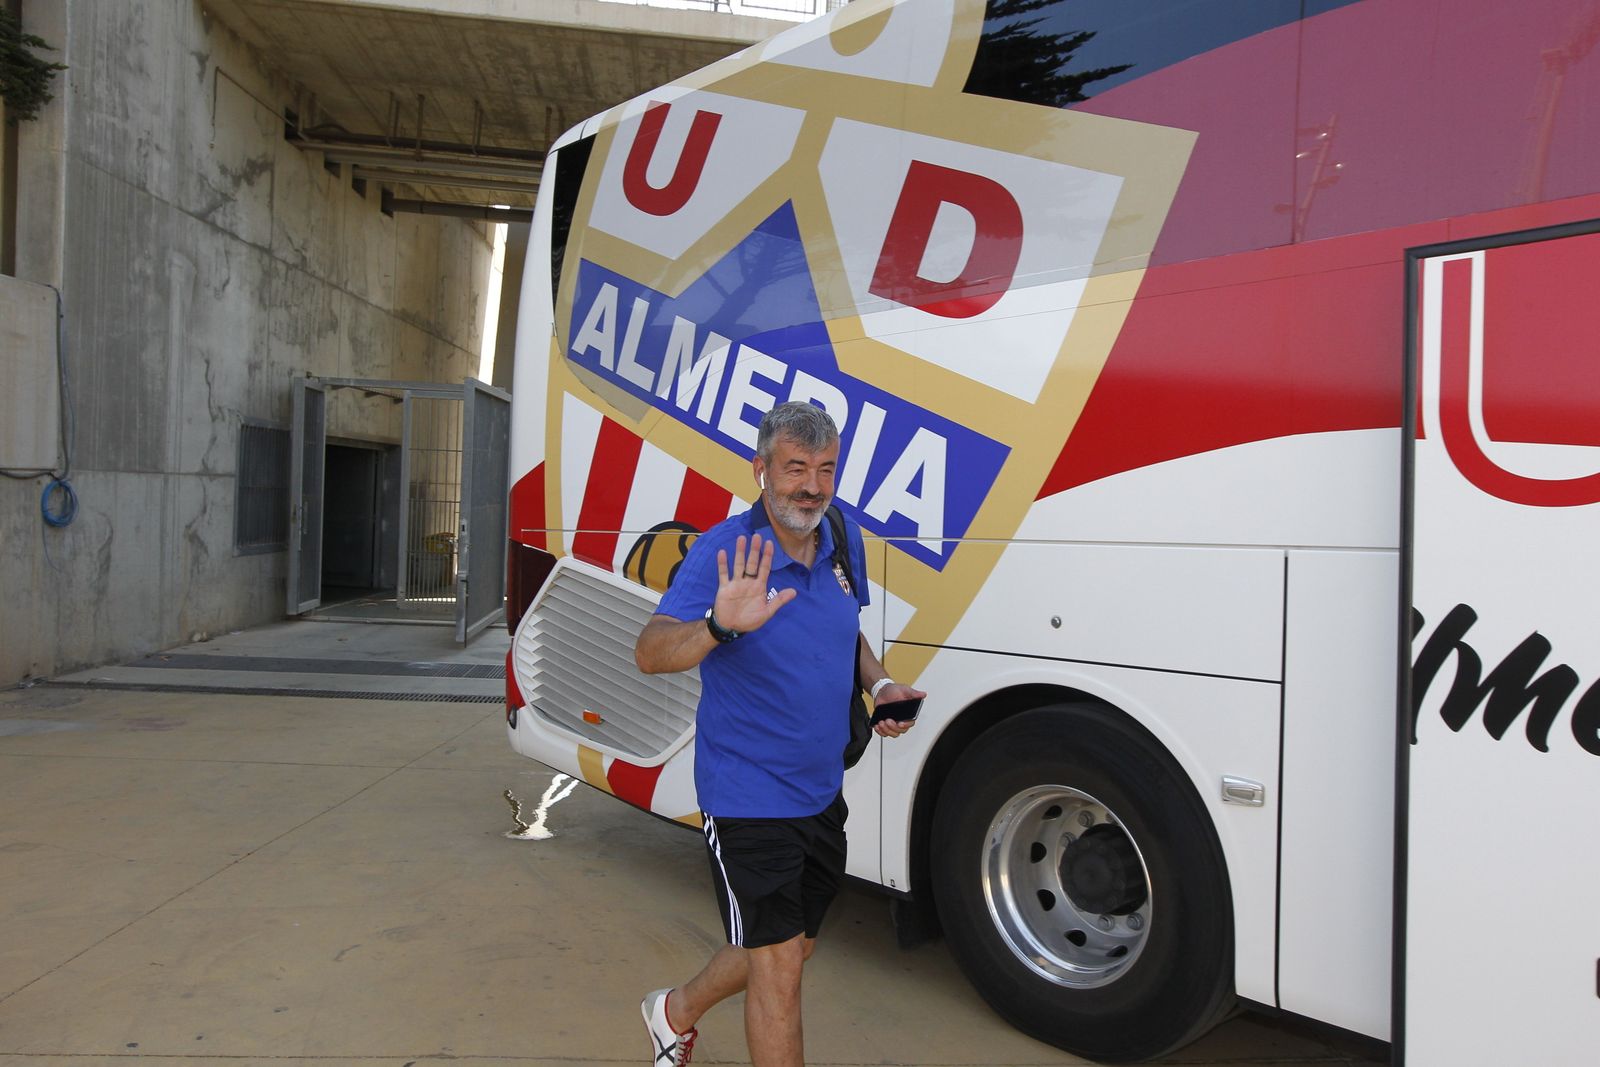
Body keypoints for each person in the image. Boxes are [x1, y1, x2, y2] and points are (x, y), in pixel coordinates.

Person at [633, 401, 925, 1067]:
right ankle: (675, 1014)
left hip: (820, 789)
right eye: (795, 467)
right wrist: (718, 627)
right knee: (780, 972)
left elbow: (841, 627)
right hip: (746, 794)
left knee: (795, 945)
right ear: (760, 469)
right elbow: (649, 651)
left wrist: (880, 685)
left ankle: (672, 1011)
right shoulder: (726, 551)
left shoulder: (841, 537)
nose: (812, 486)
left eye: (825, 469)